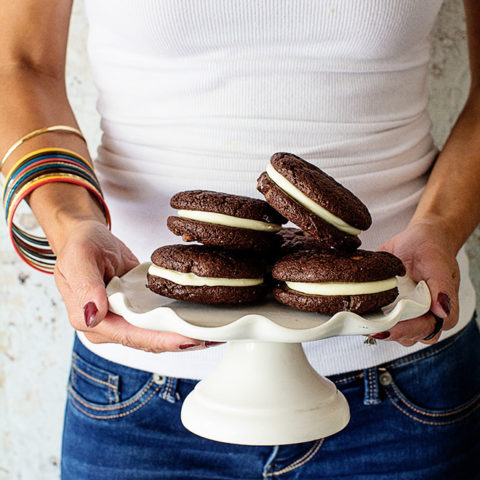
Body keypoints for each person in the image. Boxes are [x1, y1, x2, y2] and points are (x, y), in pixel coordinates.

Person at [1, 0, 479, 478]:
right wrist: (71, 224)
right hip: (135, 395)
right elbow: (20, 65)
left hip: (405, 381)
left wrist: (440, 227)